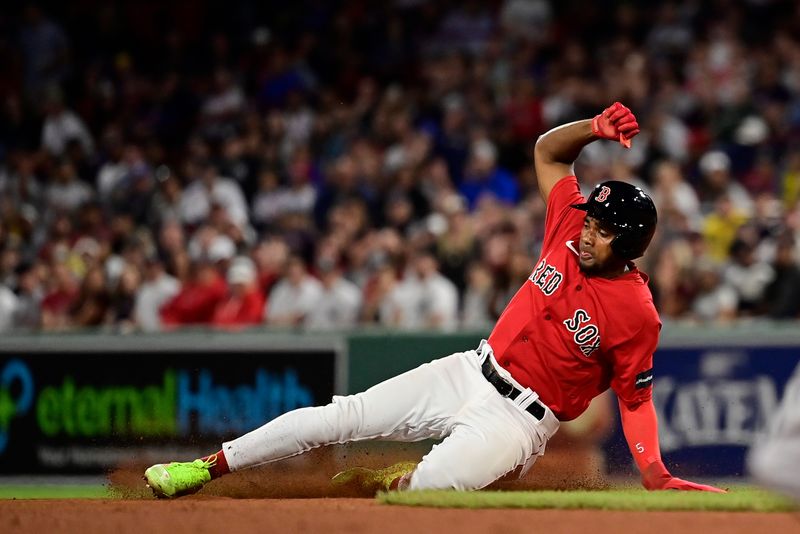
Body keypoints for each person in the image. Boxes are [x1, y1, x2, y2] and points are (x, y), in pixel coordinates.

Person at [144, 102, 725, 497]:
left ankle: (405, 482)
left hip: (517, 424)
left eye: (602, 228)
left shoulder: (636, 313)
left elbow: (636, 398)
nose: (587, 230)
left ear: (630, 244)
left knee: (425, 497)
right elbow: (549, 154)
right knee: (340, 415)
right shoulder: (566, 226)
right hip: (469, 370)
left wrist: (652, 469)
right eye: (590, 220)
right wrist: (593, 126)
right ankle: (203, 467)